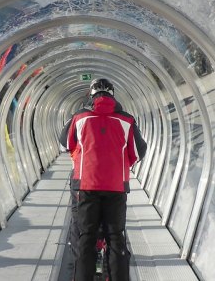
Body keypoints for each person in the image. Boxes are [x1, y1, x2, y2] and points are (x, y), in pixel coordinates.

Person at [60, 78, 147, 281]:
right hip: (116, 186)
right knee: (116, 238)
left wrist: (82, 155)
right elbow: (138, 151)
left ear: (91, 96)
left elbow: (65, 143)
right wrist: (121, 164)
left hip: (86, 185)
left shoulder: (79, 117)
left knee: (86, 238)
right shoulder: (127, 120)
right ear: (112, 95)